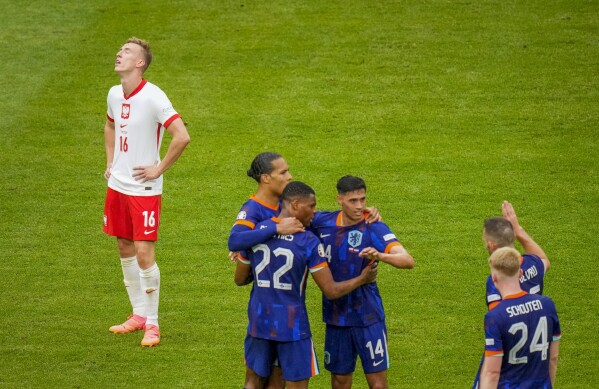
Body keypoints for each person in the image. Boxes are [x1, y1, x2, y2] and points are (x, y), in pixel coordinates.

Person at [234, 181, 378, 389]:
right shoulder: (308, 241)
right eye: (311, 206)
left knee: (253, 383)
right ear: (294, 205)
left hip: (259, 323)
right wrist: (362, 279)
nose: (315, 210)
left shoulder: (257, 232)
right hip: (293, 327)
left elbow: (240, 279)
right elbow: (331, 290)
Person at [102, 37, 190, 347]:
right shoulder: (114, 93)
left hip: (144, 188)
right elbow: (110, 126)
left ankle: (152, 323)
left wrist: (158, 168)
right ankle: (138, 314)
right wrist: (110, 162)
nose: (119, 53)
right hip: (118, 185)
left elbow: (181, 136)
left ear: (140, 63)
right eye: (120, 49)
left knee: (143, 251)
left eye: (126, 51)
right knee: (124, 245)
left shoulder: (153, 97)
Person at [309, 175, 414, 389]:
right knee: (339, 382)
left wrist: (380, 255)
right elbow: (288, 218)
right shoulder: (322, 223)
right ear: (339, 199)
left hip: (368, 316)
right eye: (353, 201)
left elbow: (407, 260)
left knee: (377, 384)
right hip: (336, 318)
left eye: (363, 199)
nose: (359, 206)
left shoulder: (374, 227)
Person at [472, 201, 550, 387]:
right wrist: (519, 230)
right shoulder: (531, 265)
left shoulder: (496, 281)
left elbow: (498, 322)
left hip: (507, 364)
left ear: (491, 245)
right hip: (535, 359)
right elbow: (544, 259)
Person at [479, 247, 561, 388]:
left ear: (494, 277)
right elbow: (553, 358)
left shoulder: (495, 317)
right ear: (520, 272)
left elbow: (492, 372)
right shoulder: (547, 305)